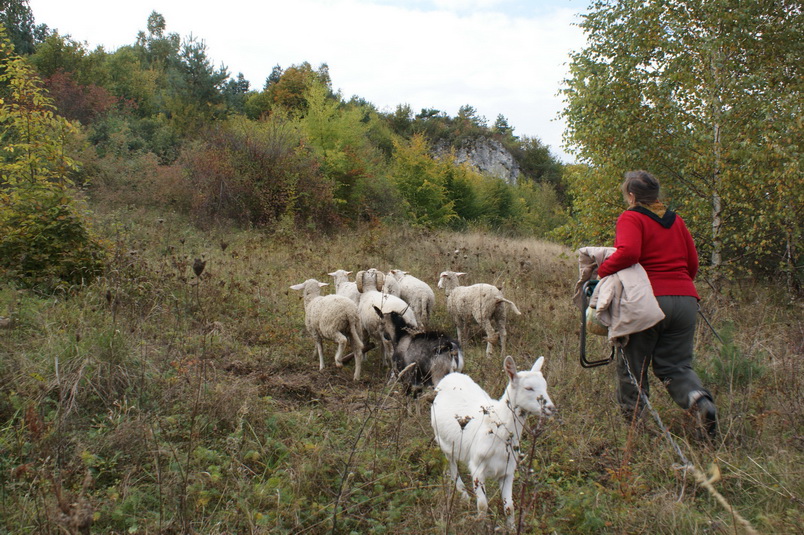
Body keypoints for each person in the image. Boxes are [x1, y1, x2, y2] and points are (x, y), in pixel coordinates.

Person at [597, 170, 717, 438]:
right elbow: (693, 263)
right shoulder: (677, 221)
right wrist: (679, 288)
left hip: (647, 301)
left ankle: (635, 430)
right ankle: (700, 401)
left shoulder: (632, 217)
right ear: (656, 194)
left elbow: (629, 252)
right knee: (676, 366)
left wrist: (602, 271)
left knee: (633, 366)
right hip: (685, 300)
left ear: (631, 195)